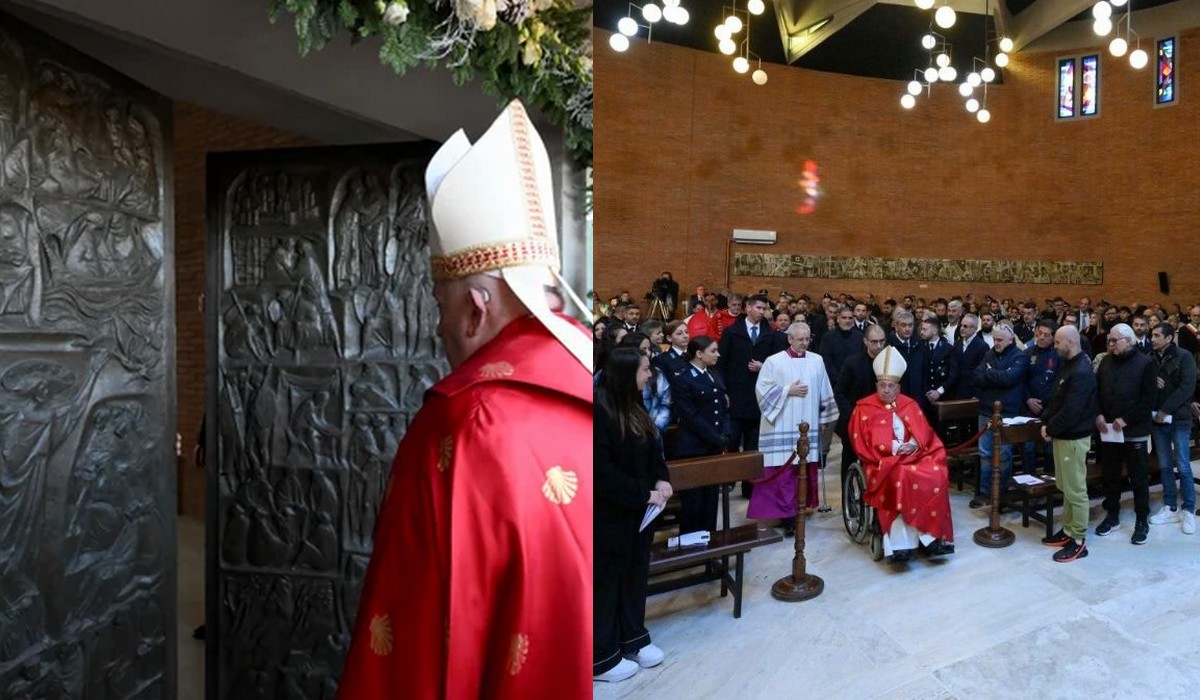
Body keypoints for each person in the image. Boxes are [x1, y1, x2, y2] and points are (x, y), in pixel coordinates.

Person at [338, 101, 593, 699]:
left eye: (439, 305)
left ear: (476, 308)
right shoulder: (587, 373)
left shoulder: (466, 423)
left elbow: (413, 642)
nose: (437, 328)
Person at [594, 348, 672, 682]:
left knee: (635, 575)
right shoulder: (598, 413)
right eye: (644, 370)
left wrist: (662, 479)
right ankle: (602, 657)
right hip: (611, 513)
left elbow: (653, 450)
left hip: (640, 512)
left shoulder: (636, 405)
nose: (649, 375)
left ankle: (633, 639)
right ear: (627, 374)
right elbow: (601, 472)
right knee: (608, 582)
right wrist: (644, 494)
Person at [849, 346, 954, 564]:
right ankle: (899, 545)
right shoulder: (864, 408)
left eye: (891, 386)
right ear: (876, 385)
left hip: (913, 456)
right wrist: (896, 449)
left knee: (935, 473)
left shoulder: (910, 404)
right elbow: (863, 442)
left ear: (899, 386)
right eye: (882, 385)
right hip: (882, 462)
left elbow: (924, 432)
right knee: (901, 477)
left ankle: (931, 538)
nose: (886, 390)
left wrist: (914, 444)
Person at [747, 322, 838, 536]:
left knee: (802, 473)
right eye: (800, 339)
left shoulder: (817, 360)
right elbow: (762, 391)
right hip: (781, 426)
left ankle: (797, 513)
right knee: (781, 474)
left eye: (807, 339)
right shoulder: (774, 361)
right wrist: (788, 390)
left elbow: (825, 389)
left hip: (808, 427)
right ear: (790, 339)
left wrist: (825, 417)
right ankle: (785, 517)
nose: (804, 343)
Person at [1039, 326, 1098, 562]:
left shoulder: (1082, 370)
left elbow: (1072, 411)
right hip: (1063, 436)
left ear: (1071, 342)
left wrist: (1050, 428)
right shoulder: (1069, 364)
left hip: (1073, 437)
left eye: (1057, 343)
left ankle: (1079, 539)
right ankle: (1067, 531)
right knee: (1065, 486)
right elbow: (1057, 399)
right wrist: (1046, 421)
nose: (1054, 347)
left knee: (1076, 490)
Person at [1094, 323, 1156, 545]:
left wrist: (1126, 419)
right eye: (1109, 341)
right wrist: (1099, 415)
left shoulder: (1146, 363)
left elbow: (1148, 399)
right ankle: (1112, 516)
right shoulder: (1105, 362)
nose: (1110, 345)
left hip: (1134, 430)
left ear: (1128, 341)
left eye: (1115, 341)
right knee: (1110, 476)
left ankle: (1142, 520)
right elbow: (1098, 392)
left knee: (1138, 477)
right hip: (1110, 431)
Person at [670, 336, 729, 534]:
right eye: (713, 351)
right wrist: (715, 437)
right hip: (693, 447)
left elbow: (722, 406)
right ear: (699, 353)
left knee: (711, 498)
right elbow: (690, 416)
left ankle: (709, 540)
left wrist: (724, 433)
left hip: (712, 447)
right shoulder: (683, 378)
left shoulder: (714, 374)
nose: (717, 354)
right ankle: (691, 544)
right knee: (693, 502)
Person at [1147, 322, 1197, 534]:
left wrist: (1165, 409)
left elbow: (1187, 387)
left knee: (1183, 465)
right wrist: (1152, 382)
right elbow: (1145, 385)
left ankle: (1188, 509)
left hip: (1178, 419)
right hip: (1157, 420)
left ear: (1168, 338)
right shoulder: (1150, 358)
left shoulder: (1184, 356)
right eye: (1152, 335)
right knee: (1165, 465)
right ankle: (1170, 506)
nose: (1153, 338)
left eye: (1157, 335)